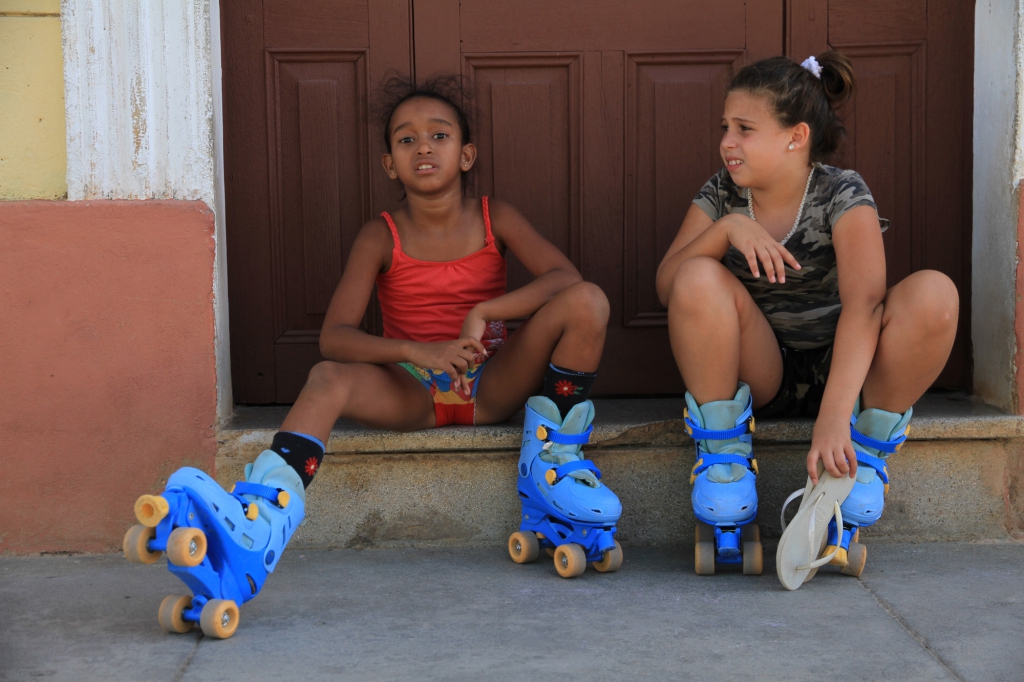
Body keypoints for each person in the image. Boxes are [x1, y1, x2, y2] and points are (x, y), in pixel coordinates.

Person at [124, 75, 622, 639]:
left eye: (439, 135)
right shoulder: (379, 235)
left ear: (467, 154)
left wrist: (486, 310)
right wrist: (417, 350)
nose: (424, 147)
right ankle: (259, 523)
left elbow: (564, 277)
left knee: (588, 302)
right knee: (327, 377)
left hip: (493, 384)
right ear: (390, 164)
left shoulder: (495, 217)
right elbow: (335, 336)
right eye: (406, 140)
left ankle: (551, 462)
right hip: (410, 387)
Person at [656, 53, 958, 586]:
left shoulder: (841, 192)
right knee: (695, 278)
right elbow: (668, 285)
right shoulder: (724, 195)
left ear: (795, 137)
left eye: (745, 129)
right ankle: (723, 457)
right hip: (762, 371)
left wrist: (834, 417)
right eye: (725, 127)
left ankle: (861, 456)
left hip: (847, 373)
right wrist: (726, 230)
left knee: (935, 294)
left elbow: (864, 307)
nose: (728, 141)